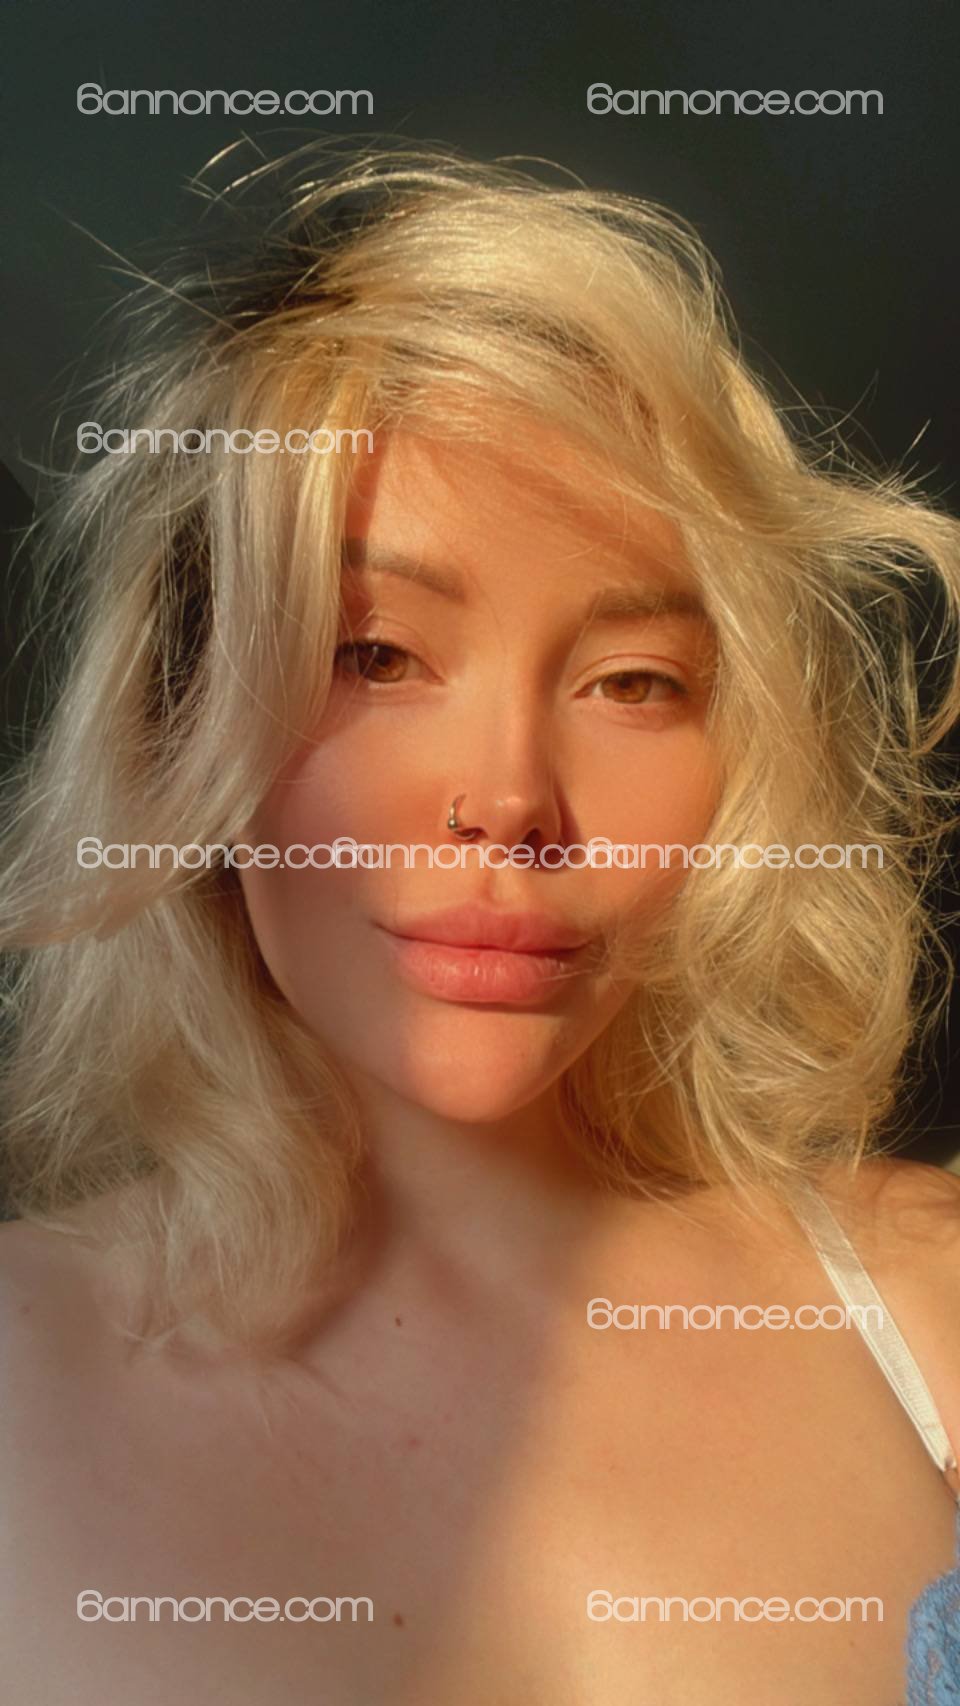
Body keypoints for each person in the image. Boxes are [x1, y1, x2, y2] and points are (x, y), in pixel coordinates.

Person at [1, 141, 959, 1705]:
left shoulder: (929, 1305)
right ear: (180, 712)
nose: (511, 797)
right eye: (377, 654)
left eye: (634, 681)